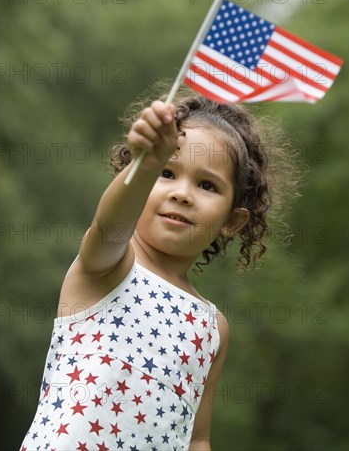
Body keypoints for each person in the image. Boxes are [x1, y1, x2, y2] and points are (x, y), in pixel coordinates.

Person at [20, 90, 297, 451]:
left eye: (207, 185)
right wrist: (147, 163)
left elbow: (196, 438)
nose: (182, 193)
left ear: (232, 220)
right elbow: (111, 225)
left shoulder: (213, 327)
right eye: (167, 172)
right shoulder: (110, 265)